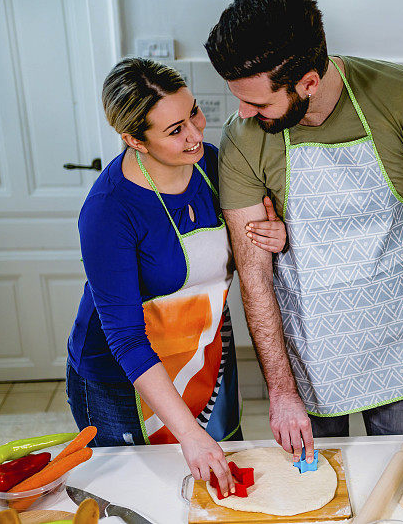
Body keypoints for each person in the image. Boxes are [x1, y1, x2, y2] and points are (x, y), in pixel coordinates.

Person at [205, 0, 403, 465]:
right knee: (315, 491)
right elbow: (255, 275)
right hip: (311, 356)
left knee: (402, 479)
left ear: (308, 81)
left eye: (257, 102)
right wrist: (281, 391)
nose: (243, 113)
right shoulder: (243, 138)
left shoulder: (400, 94)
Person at [66, 57, 286, 497]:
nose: (195, 135)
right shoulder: (110, 211)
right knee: (142, 496)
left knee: (220, 492)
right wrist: (189, 434)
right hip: (121, 379)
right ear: (134, 140)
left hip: (202, 359)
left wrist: (276, 234)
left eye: (194, 113)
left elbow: (249, 247)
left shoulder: (214, 166)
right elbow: (125, 338)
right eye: (175, 130)